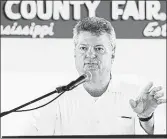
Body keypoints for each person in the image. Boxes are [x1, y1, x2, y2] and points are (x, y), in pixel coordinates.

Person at [25, 17, 166, 135]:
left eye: (99, 48)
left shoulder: (136, 95)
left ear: (113, 53)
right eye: (83, 48)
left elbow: (157, 133)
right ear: (75, 52)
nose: (90, 55)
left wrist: (146, 118)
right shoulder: (55, 98)